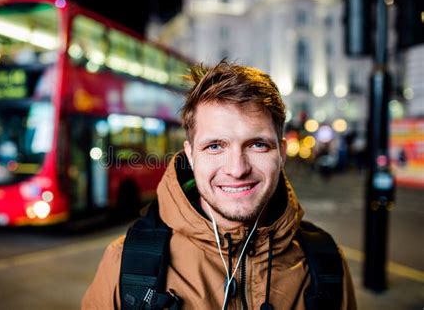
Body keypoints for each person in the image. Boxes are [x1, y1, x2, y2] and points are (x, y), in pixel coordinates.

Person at [82, 60, 356, 309]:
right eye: (215, 146)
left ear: (281, 154)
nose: (237, 169)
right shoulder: (126, 264)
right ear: (190, 156)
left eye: (257, 144)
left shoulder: (326, 264)